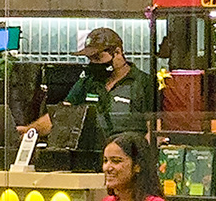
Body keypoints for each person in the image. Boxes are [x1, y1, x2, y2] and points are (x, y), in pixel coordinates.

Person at [55, 28, 148, 166]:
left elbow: (155, 130)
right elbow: (62, 115)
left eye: (98, 58)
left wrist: (140, 162)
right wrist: (30, 130)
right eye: (90, 59)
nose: (93, 63)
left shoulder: (143, 83)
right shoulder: (88, 82)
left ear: (117, 52)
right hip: (89, 159)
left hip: (125, 163)